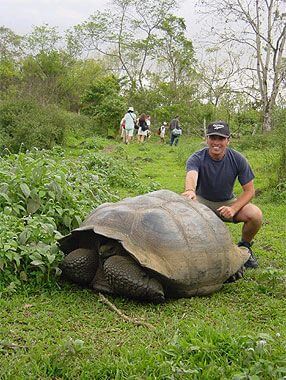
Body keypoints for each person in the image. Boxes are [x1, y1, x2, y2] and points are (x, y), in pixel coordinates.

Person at [183, 120, 262, 269]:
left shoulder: (238, 159)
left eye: (221, 138)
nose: (216, 143)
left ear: (228, 140)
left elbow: (250, 191)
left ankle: (245, 246)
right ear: (207, 139)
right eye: (213, 138)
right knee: (184, 206)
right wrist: (189, 190)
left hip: (227, 202)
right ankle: (190, 252)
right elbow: (192, 175)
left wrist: (233, 208)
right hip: (201, 202)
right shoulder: (197, 157)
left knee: (255, 214)